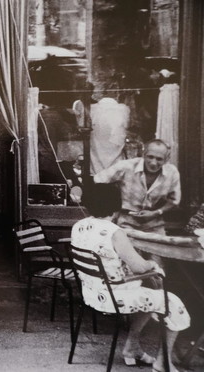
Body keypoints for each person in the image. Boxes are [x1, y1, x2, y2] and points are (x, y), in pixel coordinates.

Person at [71, 183, 190, 372]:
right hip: (114, 297)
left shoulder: (79, 226)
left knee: (150, 290)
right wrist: (154, 265)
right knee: (173, 303)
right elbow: (139, 267)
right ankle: (163, 362)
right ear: (116, 204)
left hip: (92, 293)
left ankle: (131, 347)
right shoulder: (114, 232)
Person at [94, 139, 180, 235]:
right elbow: (97, 181)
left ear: (167, 159)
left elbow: (174, 201)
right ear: (143, 154)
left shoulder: (172, 172)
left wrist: (156, 212)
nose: (153, 163)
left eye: (159, 159)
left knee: (161, 248)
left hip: (155, 223)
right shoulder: (126, 166)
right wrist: (111, 208)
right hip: (126, 222)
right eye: (150, 157)